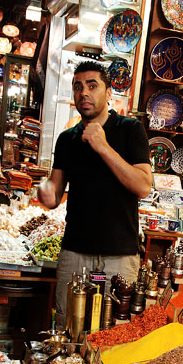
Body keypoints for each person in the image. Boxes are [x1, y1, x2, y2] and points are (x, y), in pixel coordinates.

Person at [38, 61, 152, 330]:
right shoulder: (67, 139)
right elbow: (53, 194)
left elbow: (143, 186)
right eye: (78, 87)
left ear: (108, 92)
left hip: (119, 256)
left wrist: (102, 146)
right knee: (68, 328)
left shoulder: (129, 129)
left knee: (114, 333)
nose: (84, 93)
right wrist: (43, 191)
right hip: (75, 252)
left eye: (92, 85)